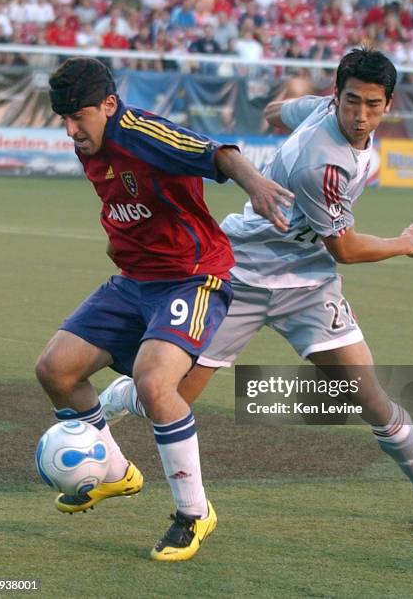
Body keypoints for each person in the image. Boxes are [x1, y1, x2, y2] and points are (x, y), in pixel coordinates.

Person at [101, 48, 413, 533]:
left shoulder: (320, 107)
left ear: (388, 103)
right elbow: (346, 249)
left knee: (369, 396)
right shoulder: (324, 165)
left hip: (308, 286)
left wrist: (284, 114)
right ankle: (131, 394)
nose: (359, 116)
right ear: (337, 96)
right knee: (162, 398)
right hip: (240, 275)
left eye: (371, 105)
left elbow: (278, 112)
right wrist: (405, 243)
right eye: (351, 102)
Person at [35, 57, 293, 563]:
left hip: (194, 276)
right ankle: (113, 471)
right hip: (135, 280)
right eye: (63, 119)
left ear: (109, 105)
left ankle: (194, 514)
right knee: (55, 370)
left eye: (79, 117)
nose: (70, 129)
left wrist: (256, 186)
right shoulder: (89, 140)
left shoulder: (142, 132)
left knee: (156, 385)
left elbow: (217, 152)